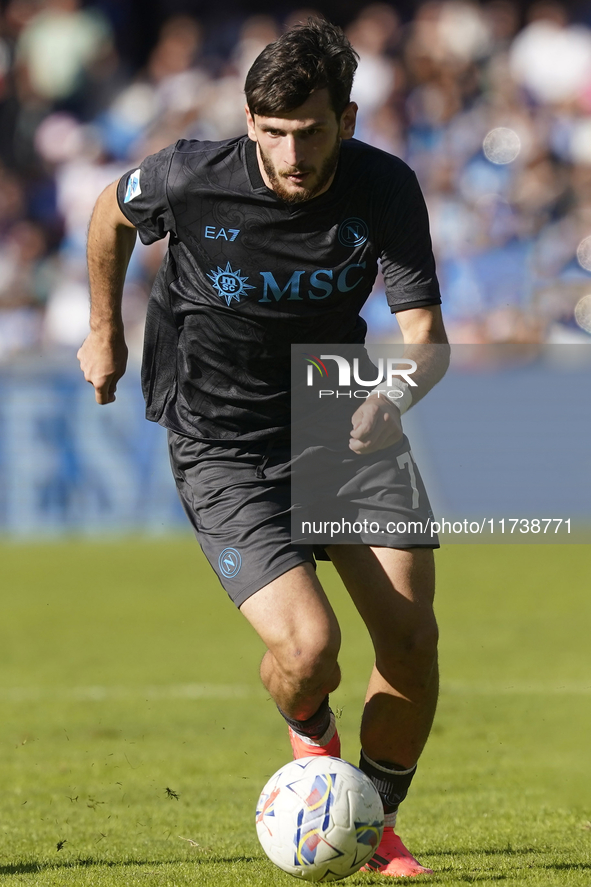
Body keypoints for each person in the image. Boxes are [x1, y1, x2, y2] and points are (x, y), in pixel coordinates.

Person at [78, 18, 449, 878]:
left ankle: (371, 825)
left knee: (409, 640)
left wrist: (390, 395)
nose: (289, 153)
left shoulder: (383, 186)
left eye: (309, 131)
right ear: (250, 122)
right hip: (222, 439)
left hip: (343, 419)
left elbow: (423, 334)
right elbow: (109, 212)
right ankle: (312, 741)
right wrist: (105, 331)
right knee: (308, 652)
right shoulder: (190, 177)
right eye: (272, 132)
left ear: (345, 121)